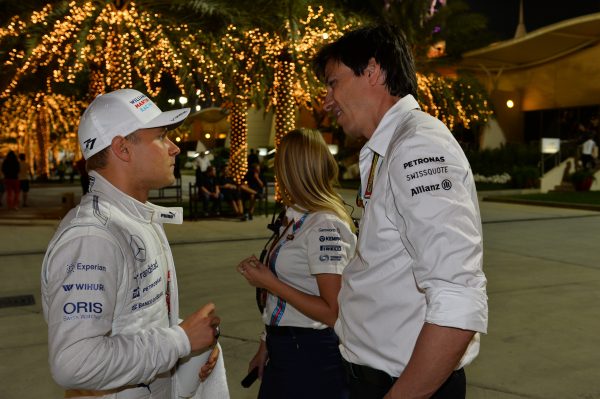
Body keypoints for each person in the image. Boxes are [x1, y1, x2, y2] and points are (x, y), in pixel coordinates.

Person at [313, 25, 488, 399]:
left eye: (333, 83)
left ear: (373, 71)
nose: (327, 100)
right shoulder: (390, 146)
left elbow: (458, 296)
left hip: (404, 386)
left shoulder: (417, 146)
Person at [41, 88, 224, 398]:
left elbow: (132, 323)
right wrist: (180, 341)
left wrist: (190, 348)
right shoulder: (94, 237)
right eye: (161, 137)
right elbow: (74, 362)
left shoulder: (133, 219)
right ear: (123, 149)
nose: (174, 147)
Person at [237, 128, 357, 399]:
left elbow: (331, 311)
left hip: (311, 356)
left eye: (280, 165)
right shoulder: (295, 216)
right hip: (285, 349)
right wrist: (265, 344)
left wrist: (269, 282)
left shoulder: (324, 225)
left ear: (294, 170)